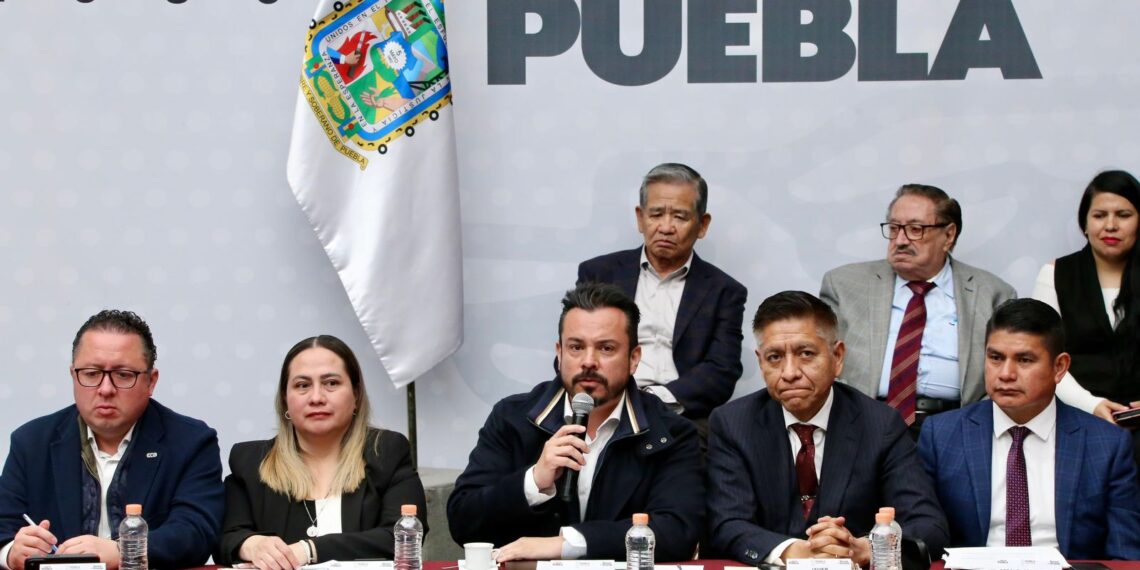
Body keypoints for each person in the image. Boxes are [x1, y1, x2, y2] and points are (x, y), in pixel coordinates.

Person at [448, 282, 704, 561]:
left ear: (634, 359)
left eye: (606, 348)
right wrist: (534, 481)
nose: (588, 362)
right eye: (576, 347)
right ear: (559, 353)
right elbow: (463, 522)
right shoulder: (512, 418)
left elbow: (677, 532)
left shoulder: (670, 432)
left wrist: (567, 544)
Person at [706, 291, 948, 567]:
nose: (789, 372)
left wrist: (866, 548)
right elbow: (726, 523)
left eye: (806, 354)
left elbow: (928, 524)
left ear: (838, 356)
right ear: (761, 362)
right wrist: (796, 551)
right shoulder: (733, 423)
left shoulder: (881, 424)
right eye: (774, 357)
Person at [0, 310, 224, 570]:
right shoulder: (31, 443)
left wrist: (124, 551)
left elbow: (196, 531)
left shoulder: (191, 442)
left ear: (151, 381)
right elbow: (3, 525)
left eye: (123, 375)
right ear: (73, 376)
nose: (105, 389)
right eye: (91, 373)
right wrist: (11, 552)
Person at [918, 298, 1140, 559]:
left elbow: (1126, 553)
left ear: (1059, 367)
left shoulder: (1107, 445)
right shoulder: (942, 435)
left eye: (1024, 360)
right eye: (995, 358)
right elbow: (923, 538)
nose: (1006, 374)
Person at [217, 335, 427, 569]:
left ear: (356, 395)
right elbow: (225, 537)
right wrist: (251, 545)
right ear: (285, 400)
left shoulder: (387, 452)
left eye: (331, 383)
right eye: (302, 385)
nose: (316, 398)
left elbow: (400, 537)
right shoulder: (251, 461)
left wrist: (309, 550)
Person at [820, 184, 1016, 432]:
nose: (900, 240)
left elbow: (1007, 372)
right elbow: (821, 360)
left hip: (957, 426)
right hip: (865, 424)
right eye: (894, 228)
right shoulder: (844, 285)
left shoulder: (993, 294)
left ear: (948, 235)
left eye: (915, 229)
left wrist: (973, 426)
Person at [577, 163, 747, 433]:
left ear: (702, 225)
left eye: (680, 217)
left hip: (681, 417)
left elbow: (722, 370)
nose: (666, 227)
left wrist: (655, 401)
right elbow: (574, 351)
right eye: (656, 214)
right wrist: (615, 398)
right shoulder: (599, 274)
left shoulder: (724, 291)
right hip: (604, 404)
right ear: (640, 218)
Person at [1031, 170, 1140, 462]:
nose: (1111, 225)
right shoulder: (1055, 275)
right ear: (1084, 224)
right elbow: (1043, 356)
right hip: (1076, 422)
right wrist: (1091, 405)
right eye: (1100, 215)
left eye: (1124, 215)